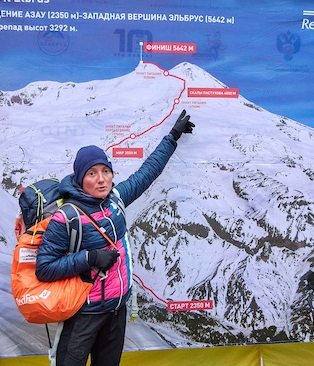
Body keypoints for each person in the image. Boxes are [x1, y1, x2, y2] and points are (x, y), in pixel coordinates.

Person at [35, 110, 195, 366]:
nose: (101, 179)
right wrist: (90, 258)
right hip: (83, 314)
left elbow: (147, 173)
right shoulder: (67, 217)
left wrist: (172, 136)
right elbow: (44, 268)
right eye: (92, 173)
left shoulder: (115, 200)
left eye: (105, 171)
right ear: (80, 178)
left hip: (116, 310)